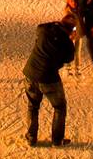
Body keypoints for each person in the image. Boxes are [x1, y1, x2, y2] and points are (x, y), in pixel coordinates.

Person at [22, 16, 79, 147]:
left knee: (33, 106)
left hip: (30, 73)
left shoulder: (45, 29)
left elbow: (39, 27)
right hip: (49, 78)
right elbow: (69, 58)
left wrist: (56, 24)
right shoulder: (67, 44)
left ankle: (31, 138)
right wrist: (71, 40)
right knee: (59, 107)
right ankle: (57, 140)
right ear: (72, 30)